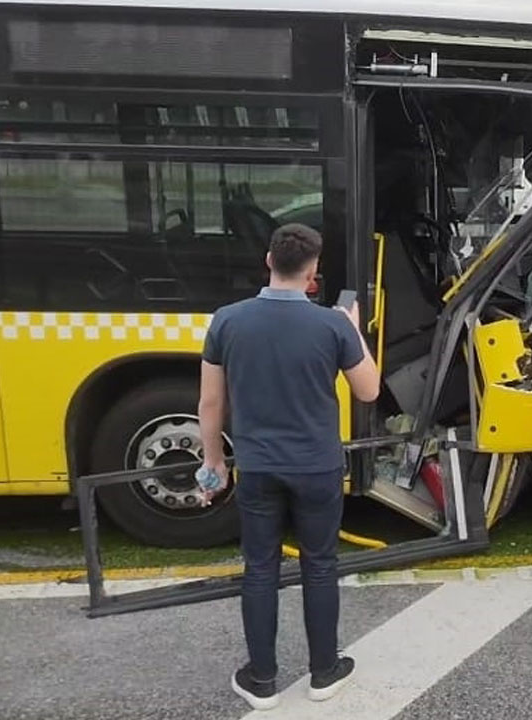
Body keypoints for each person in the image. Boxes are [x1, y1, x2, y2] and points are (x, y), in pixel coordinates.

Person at [197, 223, 381, 711]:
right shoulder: (332, 325)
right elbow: (369, 390)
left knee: (260, 568)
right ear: (313, 272)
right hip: (317, 467)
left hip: (257, 467)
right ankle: (324, 672)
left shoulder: (226, 321)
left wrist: (214, 461)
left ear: (268, 260)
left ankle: (261, 680)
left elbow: (211, 403)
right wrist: (353, 327)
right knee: (319, 565)